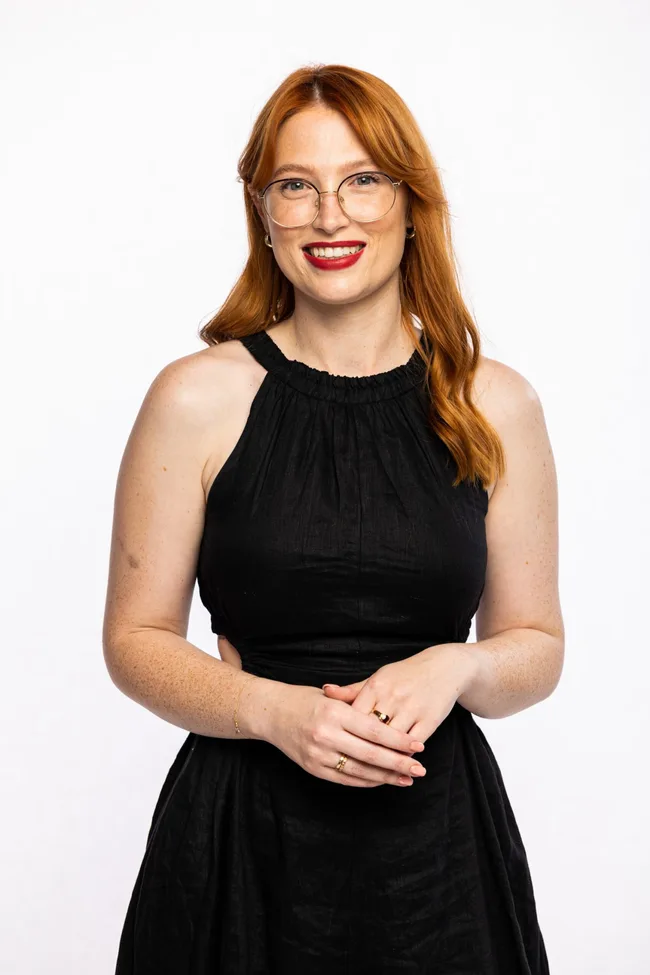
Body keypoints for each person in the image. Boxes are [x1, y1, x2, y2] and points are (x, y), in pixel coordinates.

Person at [104, 63, 563, 974]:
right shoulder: (194, 398)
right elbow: (135, 639)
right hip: (241, 844)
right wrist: (272, 710)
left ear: (410, 201)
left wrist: (460, 665)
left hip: (439, 858)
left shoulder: (496, 404)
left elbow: (537, 645)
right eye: (295, 186)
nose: (329, 216)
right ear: (262, 210)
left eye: (362, 180)